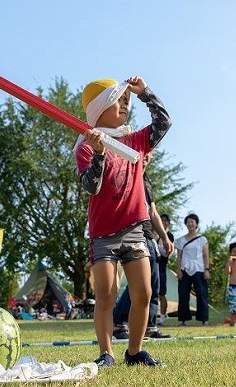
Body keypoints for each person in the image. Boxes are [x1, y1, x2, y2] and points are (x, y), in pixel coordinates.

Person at [74, 75, 172, 367]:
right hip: (103, 233)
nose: (125, 106)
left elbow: (164, 123)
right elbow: (91, 187)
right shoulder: (85, 146)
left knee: (144, 293)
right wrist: (100, 153)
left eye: (127, 101)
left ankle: (135, 352)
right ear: (99, 107)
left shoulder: (136, 140)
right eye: (119, 100)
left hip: (134, 230)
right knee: (106, 295)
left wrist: (145, 93)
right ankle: (106, 353)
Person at [112, 152, 174, 340]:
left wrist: (164, 237)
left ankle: (150, 326)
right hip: (133, 234)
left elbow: (153, 212)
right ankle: (118, 322)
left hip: (148, 236)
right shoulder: (127, 175)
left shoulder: (146, 180)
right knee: (138, 284)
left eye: (149, 153)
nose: (145, 156)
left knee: (153, 285)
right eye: (142, 153)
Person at [175, 213, 209, 326]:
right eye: (188, 222)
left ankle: (204, 319)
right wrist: (179, 270)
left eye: (192, 222)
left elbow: (206, 255)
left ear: (196, 224)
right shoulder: (181, 240)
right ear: (186, 224)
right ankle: (183, 319)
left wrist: (207, 269)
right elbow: (179, 256)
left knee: (201, 294)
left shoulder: (202, 239)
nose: (190, 224)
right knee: (183, 294)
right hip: (185, 268)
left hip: (199, 268)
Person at [156, 213, 175, 325]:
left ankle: (162, 318)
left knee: (161, 294)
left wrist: (155, 246)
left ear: (168, 223)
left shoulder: (169, 236)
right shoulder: (154, 232)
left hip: (162, 267)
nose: (163, 223)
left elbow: (166, 253)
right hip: (151, 266)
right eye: (161, 220)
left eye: (165, 221)